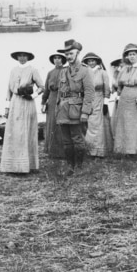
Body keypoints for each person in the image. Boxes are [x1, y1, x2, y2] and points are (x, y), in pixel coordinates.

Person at [1, 50, 44, 175]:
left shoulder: (33, 70)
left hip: (26, 103)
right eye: (20, 56)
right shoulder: (13, 70)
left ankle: (27, 165)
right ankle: (13, 166)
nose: (22, 58)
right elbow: (9, 89)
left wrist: (33, 96)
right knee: (13, 132)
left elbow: (42, 87)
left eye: (24, 56)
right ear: (17, 57)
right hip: (15, 103)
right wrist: (7, 108)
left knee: (25, 132)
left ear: (28, 57)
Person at [55, 39, 95, 175]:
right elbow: (60, 92)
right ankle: (70, 167)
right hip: (63, 110)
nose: (68, 57)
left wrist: (85, 112)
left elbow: (89, 93)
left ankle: (79, 167)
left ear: (77, 53)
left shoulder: (85, 70)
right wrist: (57, 109)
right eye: (66, 54)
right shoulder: (63, 71)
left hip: (77, 110)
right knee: (66, 141)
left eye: (71, 53)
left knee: (78, 139)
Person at [82, 52, 113, 158]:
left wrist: (105, 103)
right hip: (87, 100)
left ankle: (99, 151)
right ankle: (90, 150)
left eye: (93, 61)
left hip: (99, 99)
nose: (91, 63)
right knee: (88, 124)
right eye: (89, 61)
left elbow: (107, 88)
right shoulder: (84, 73)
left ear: (97, 61)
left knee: (98, 125)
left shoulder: (103, 73)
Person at [41, 52, 67, 159]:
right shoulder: (50, 72)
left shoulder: (66, 71)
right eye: (55, 58)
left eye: (59, 58)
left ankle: (62, 151)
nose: (57, 60)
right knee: (51, 123)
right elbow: (46, 89)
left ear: (62, 60)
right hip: (52, 98)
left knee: (61, 123)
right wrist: (43, 102)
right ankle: (51, 150)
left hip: (63, 98)